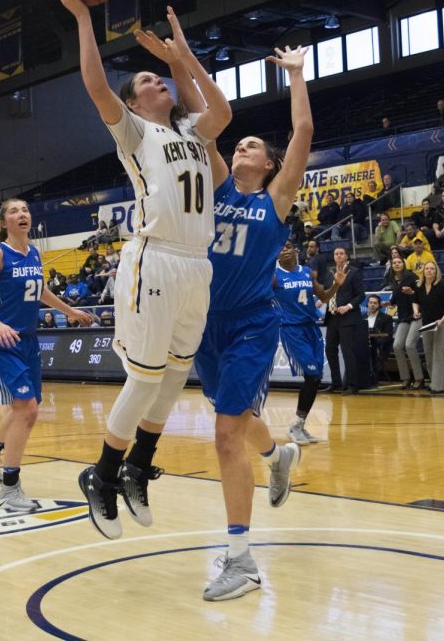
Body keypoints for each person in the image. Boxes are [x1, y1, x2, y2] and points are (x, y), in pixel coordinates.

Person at [54, 0, 232, 540]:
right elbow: (95, 86)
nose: (162, 83)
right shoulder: (134, 131)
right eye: (151, 79)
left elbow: (222, 111)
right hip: (152, 259)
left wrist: (182, 57)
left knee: (176, 379)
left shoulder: (193, 131)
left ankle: (137, 465)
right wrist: (84, 18)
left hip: (196, 263)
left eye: (162, 78)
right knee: (144, 378)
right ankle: (101, 474)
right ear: (134, 101)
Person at [174, 42, 313, 601]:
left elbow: (301, 132)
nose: (242, 146)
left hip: (254, 323)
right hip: (206, 324)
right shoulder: (219, 183)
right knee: (237, 420)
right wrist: (180, 58)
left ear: (270, 164)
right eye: (240, 143)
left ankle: (241, 560)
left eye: (253, 144)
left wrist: (298, 75)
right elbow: (202, 117)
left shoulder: (277, 197)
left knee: (226, 431)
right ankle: (279, 455)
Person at [0, 198, 92, 512]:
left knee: (26, 407)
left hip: (28, 340)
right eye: (14, 211)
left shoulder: (33, 252)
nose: (22, 214)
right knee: (27, 410)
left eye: (26, 210)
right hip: (1, 340)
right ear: (4, 222)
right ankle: (9, 488)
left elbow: (40, 289)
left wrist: (69, 310)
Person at [274, 239, 345, 444]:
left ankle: (299, 426)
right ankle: (296, 426)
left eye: (288, 246)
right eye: (281, 248)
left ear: (297, 250)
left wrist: (337, 286)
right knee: (312, 375)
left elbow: (323, 295)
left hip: (312, 328)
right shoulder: (274, 276)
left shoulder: (306, 271)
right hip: (291, 329)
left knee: (314, 379)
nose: (285, 250)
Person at [323, 247, 369, 394]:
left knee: (347, 351)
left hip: (348, 317)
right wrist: (322, 300)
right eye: (336, 254)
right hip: (331, 317)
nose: (338, 256)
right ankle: (335, 382)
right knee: (330, 350)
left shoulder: (354, 272)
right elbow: (327, 292)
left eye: (341, 253)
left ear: (346, 256)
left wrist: (348, 306)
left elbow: (361, 295)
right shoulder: (330, 273)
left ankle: (352, 385)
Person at [413, 262, 444, 394]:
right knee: (429, 354)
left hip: (443, 323)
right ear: (423, 271)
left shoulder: (443, 286)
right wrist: (416, 311)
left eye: (432, 269)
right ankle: (436, 379)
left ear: (436, 272)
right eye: (427, 269)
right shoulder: (419, 286)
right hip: (427, 324)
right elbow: (415, 301)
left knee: (438, 352)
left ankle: (438, 386)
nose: (429, 271)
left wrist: (442, 320)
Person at [388, 255, 424, 389]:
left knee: (409, 345)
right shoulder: (393, 280)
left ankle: (419, 378)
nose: (397, 264)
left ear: (403, 264)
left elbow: (420, 294)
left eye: (399, 262)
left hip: (416, 315)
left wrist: (412, 292)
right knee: (397, 346)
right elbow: (397, 296)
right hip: (403, 317)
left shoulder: (411, 276)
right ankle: (405, 378)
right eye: (394, 263)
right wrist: (390, 303)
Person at [365, 295, 394, 385]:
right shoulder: (361, 317)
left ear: (379, 305)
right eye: (371, 303)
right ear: (367, 304)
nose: (372, 305)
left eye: (375, 303)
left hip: (379, 347)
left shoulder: (386, 318)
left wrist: (376, 342)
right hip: (363, 346)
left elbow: (388, 336)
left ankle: (372, 379)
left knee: (372, 351)